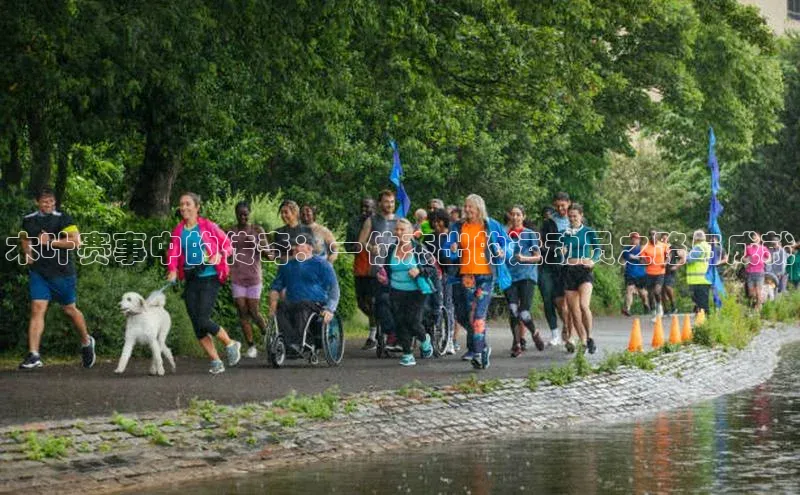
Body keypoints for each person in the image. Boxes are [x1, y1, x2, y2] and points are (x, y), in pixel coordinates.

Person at [18, 187, 96, 370]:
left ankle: (86, 341)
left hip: (62, 273)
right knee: (37, 308)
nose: (49, 204)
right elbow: (24, 237)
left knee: (69, 310)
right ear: (38, 202)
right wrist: (28, 253)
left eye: (52, 201)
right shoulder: (29, 220)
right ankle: (34, 355)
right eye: (45, 201)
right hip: (39, 272)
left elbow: (76, 242)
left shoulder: (63, 218)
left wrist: (51, 242)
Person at [167, 192, 241, 374]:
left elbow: (228, 246)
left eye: (188, 204)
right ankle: (216, 361)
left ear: (197, 207)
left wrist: (219, 254)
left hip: (210, 277)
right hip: (192, 279)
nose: (183, 207)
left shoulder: (208, 226)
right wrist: (172, 270)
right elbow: (173, 252)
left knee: (203, 318)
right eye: (181, 204)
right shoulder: (179, 230)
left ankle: (230, 343)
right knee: (196, 323)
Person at [450, 194, 512, 369]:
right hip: (466, 275)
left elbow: (508, 244)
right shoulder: (458, 226)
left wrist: (502, 251)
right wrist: (453, 249)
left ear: (479, 208)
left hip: (485, 275)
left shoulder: (490, 225)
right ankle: (483, 348)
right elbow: (448, 248)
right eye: (466, 206)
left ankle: (477, 352)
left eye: (471, 207)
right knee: (467, 315)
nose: (467, 209)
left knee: (478, 316)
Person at [378, 218, 437, 366]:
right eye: (397, 229)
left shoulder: (418, 248)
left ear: (410, 232)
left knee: (412, 321)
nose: (399, 232)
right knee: (400, 322)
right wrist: (383, 276)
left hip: (416, 291)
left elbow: (432, 268)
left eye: (402, 230)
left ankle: (425, 339)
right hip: (396, 290)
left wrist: (419, 270)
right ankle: (407, 354)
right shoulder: (392, 249)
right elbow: (386, 268)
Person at [268, 235, 340, 355]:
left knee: (302, 305)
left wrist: (330, 309)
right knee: (281, 306)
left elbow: (334, 289)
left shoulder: (322, 265)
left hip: (316, 304)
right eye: (294, 245)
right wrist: (273, 305)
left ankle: (298, 343)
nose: (294, 248)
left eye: (298, 245)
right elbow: (275, 288)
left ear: (309, 248)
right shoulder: (286, 266)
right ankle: (290, 343)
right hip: (293, 303)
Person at [227, 201, 268, 358]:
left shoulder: (257, 230)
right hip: (237, 275)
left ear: (249, 213)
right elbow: (223, 249)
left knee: (253, 310)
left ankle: (267, 333)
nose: (243, 216)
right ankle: (251, 346)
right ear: (236, 214)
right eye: (240, 214)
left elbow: (268, 254)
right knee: (242, 311)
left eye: (245, 213)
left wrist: (259, 246)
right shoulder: (231, 231)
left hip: (253, 276)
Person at [358, 190, 399, 350]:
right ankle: (386, 333)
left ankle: (397, 335)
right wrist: (370, 246)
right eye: (387, 201)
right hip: (377, 269)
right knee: (378, 303)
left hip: (396, 269)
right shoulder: (372, 220)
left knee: (396, 302)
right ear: (380, 203)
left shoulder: (400, 221)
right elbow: (361, 242)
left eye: (392, 202)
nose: (390, 205)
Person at [561, 204, 600, 354]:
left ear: (581, 216)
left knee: (584, 305)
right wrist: (562, 252)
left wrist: (593, 260)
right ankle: (582, 339)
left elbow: (597, 249)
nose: (572, 218)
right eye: (570, 216)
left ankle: (590, 337)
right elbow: (561, 253)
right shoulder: (565, 233)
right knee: (573, 309)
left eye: (575, 216)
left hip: (584, 270)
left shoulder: (588, 231)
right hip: (569, 271)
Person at [505, 205, 544, 357]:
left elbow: (538, 256)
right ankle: (517, 344)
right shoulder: (505, 234)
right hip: (510, 277)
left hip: (527, 276)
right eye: (513, 214)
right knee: (513, 310)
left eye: (518, 214)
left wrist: (524, 258)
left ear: (523, 217)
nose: (515, 217)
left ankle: (535, 332)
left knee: (524, 312)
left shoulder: (529, 234)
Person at [539, 192, 571, 347]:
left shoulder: (575, 221)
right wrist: (556, 249)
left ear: (568, 204)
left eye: (563, 205)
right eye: (557, 206)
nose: (560, 208)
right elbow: (542, 245)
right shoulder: (548, 223)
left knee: (562, 302)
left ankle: (568, 328)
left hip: (566, 267)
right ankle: (554, 334)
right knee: (547, 299)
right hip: (548, 266)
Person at [347, 198, 378, 349]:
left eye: (368, 207)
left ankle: (374, 335)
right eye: (362, 207)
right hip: (360, 267)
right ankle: (378, 325)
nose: (365, 210)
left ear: (375, 207)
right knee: (361, 303)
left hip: (377, 268)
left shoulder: (380, 222)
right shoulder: (354, 223)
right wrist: (356, 246)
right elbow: (348, 245)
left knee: (374, 301)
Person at [429, 208, 459, 354]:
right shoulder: (430, 238)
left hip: (450, 273)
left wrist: (455, 250)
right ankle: (437, 336)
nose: (436, 224)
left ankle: (450, 340)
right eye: (434, 221)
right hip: (434, 274)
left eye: (439, 221)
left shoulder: (452, 237)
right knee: (437, 305)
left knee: (449, 305)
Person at [637, 229, 669, 321]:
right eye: (651, 235)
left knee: (657, 291)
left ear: (658, 236)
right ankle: (653, 312)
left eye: (654, 235)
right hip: (649, 273)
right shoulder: (645, 247)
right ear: (648, 236)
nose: (653, 237)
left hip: (660, 272)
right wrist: (645, 262)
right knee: (650, 294)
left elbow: (668, 256)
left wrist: (666, 262)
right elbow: (641, 258)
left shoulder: (663, 246)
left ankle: (659, 307)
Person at [621, 232, 649, 317]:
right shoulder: (626, 249)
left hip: (641, 274)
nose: (634, 240)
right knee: (629, 289)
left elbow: (647, 260)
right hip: (630, 273)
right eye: (633, 238)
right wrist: (639, 258)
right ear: (630, 239)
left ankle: (646, 305)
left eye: (636, 238)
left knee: (643, 293)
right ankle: (628, 309)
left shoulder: (643, 249)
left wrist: (643, 258)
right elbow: (629, 256)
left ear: (639, 240)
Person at [685, 230, 712, 314]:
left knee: (701, 305)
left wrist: (683, 254)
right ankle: (705, 323)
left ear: (695, 238)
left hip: (698, 280)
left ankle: (704, 323)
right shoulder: (708, 246)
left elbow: (689, 259)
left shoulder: (699, 247)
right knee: (703, 304)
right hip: (705, 279)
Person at [744, 232, 770, 311]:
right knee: (751, 293)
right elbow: (744, 258)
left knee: (758, 291)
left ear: (760, 239)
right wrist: (746, 260)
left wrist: (765, 261)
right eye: (753, 237)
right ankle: (760, 303)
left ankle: (757, 309)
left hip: (759, 272)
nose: (754, 239)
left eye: (756, 237)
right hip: (750, 272)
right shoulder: (748, 248)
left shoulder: (763, 248)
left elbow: (769, 258)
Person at [662, 233, 685, 314]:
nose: (664, 240)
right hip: (660, 271)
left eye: (665, 238)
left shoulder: (673, 248)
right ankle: (665, 309)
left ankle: (673, 305)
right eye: (663, 239)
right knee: (662, 290)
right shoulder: (659, 248)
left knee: (668, 287)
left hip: (670, 271)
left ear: (668, 239)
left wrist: (676, 266)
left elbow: (682, 258)